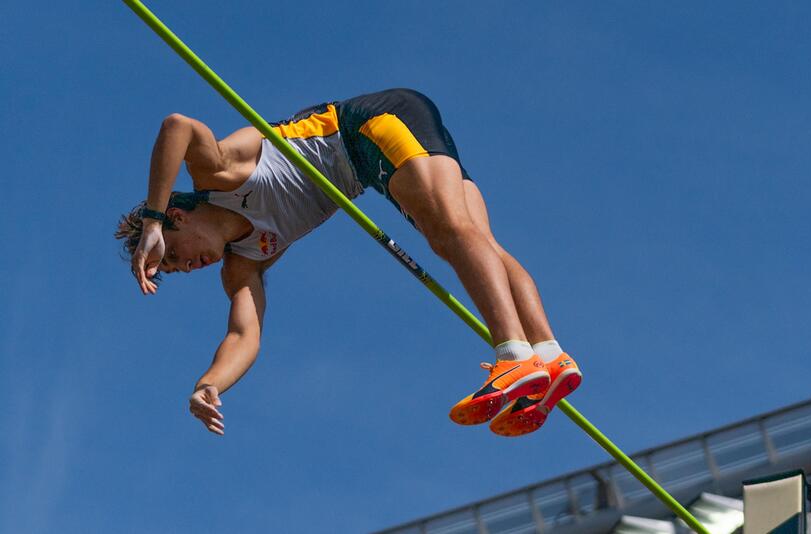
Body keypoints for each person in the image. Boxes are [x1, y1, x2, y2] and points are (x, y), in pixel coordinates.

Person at [116, 88, 581, 437]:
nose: (188, 266)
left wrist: (150, 222)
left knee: (450, 235)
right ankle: (549, 355)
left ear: (178, 216)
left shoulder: (218, 172)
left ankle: (513, 355)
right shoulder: (244, 263)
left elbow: (176, 125)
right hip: (373, 164)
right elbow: (244, 334)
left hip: (369, 126)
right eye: (178, 271)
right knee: (479, 243)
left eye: (174, 255)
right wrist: (209, 383)